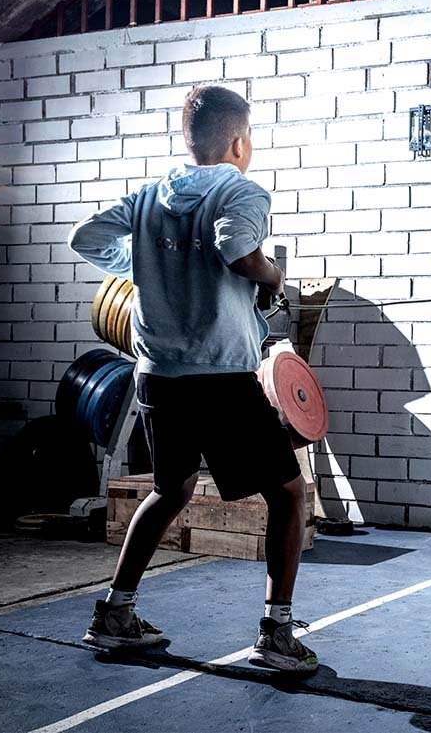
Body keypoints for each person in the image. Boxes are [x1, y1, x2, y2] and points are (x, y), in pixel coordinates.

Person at [68, 85, 318, 672]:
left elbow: (86, 238)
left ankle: (115, 612)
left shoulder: (150, 194)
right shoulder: (241, 190)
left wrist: (144, 265)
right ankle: (276, 633)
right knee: (287, 492)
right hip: (220, 376)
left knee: (171, 488)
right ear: (239, 142)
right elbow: (237, 249)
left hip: (158, 376)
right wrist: (272, 278)